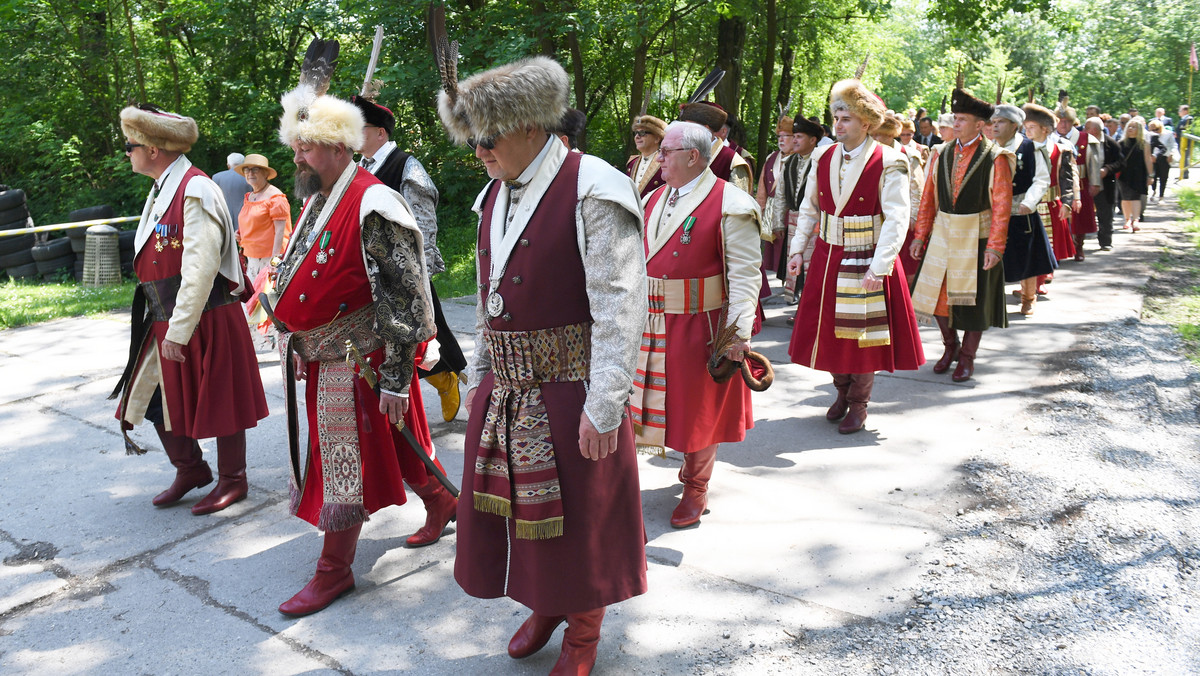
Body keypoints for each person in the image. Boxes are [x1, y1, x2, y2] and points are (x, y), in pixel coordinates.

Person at [436, 54, 647, 675]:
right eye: (471, 138)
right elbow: (487, 297)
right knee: (523, 517)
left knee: (578, 519)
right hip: (506, 386)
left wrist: (605, 403)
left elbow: (621, 303)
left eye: (487, 136)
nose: (478, 150)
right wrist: (478, 379)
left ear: (529, 123)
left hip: (570, 388)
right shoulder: (493, 194)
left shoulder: (595, 187)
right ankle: (546, 603)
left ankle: (583, 632)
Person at [271, 47, 437, 617]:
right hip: (323, 354)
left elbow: (407, 298)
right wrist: (297, 339)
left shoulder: (374, 202)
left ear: (339, 146)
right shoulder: (320, 196)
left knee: (340, 463)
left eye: (307, 145)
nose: (298, 154)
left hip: (360, 356)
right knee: (388, 441)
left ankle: (334, 571)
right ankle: (444, 503)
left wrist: (396, 376)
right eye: (295, 145)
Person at [112, 104, 268, 514]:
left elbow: (199, 268)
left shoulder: (195, 188)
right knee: (149, 397)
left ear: (152, 148)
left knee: (221, 398)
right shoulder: (165, 185)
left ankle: (234, 479)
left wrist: (180, 330)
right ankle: (191, 469)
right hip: (170, 315)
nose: (126, 153)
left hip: (205, 315)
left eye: (130, 146)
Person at [632, 120, 760, 524]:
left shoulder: (732, 203)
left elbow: (744, 276)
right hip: (650, 322)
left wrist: (736, 337)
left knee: (698, 411)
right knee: (653, 408)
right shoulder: (652, 198)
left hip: (701, 326)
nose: (659, 157)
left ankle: (696, 486)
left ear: (692, 156)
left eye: (666, 151)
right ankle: (681, 474)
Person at [349, 93, 462, 547]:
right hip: (368, 301)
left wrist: (420, 283)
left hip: (403, 286)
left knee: (428, 349)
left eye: (360, 128)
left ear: (379, 131)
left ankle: (447, 380)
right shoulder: (358, 172)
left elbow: (423, 228)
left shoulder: (407, 168)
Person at [786, 81, 924, 434]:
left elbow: (896, 217)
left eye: (846, 117)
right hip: (828, 255)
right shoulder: (823, 156)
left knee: (861, 335)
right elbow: (809, 207)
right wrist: (797, 250)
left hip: (866, 257)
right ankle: (842, 392)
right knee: (830, 330)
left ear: (866, 122)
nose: (839, 124)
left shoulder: (891, 160)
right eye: (836, 116)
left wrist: (881, 267)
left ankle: (859, 405)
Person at [909, 87, 1014, 382]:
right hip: (942, 234)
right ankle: (950, 346)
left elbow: (1002, 206)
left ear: (979, 125)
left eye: (962, 119)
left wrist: (995, 247)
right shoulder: (939, 153)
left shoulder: (997, 157)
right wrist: (920, 235)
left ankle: (967, 356)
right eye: (954, 117)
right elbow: (929, 198)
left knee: (972, 302)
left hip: (976, 237)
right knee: (937, 297)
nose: (955, 123)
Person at [992, 103, 1055, 316]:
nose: (995, 127)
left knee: (1026, 256)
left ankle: (1029, 298)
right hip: (992, 211)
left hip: (1021, 210)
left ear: (1014, 125)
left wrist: (1029, 202)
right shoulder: (988, 148)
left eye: (1000, 122)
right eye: (993, 122)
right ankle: (994, 301)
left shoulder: (1030, 147)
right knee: (992, 255)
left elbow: (1041, 179)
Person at [774, 115, 823, 306]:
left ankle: (810, 302)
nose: (794, 140)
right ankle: (795, 295)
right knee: (794, 260)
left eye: (799, 136)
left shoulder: (822, 160)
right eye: (793, 136)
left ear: (813, 140)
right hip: (794, 220)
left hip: (817, 221)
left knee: (812, 262)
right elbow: (780, 195)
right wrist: (778, 222)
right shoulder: (789, 162)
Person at [235, 154, 291, 283]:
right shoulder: (250, 196)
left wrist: (274, 261)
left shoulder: (275, 198)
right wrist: (240, 234)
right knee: (252, 299)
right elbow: (252, 222)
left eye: (255, 169)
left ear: (266, 173)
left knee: (264, 299)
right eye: (247, 170)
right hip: (251, 257)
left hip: (268, 260)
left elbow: (280, 232)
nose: (250, 173)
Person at [677, 101, 754, 194]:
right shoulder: (679, 152)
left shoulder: (733, 162)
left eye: (689, 127)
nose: (684, 132)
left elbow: (740, 204)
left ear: (705, 129)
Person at [758, 116, 793, 280]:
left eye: (785, 136)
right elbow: (762, 187)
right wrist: (761, 209)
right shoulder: (771, 158)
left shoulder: (799, 159)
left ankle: (791, 282)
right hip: (773, 211)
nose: (781, 140)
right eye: (779, 136)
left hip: (790, 212)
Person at [1084, 117, 1123, 251]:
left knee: (1105, 214)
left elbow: (1121, 163)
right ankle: (1078, 242)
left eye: (1087, 128)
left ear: (1094, 130)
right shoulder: (1082, 141)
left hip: (1105, 185)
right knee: (1083, 213)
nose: (1084, 130)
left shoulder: (1111, 143)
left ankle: (1105, 241)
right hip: (1084, 184)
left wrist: (1107, 169)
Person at [1117, 119, 1153, 232]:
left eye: (1134, 127)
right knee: (1125, 197)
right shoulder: (1120, 143)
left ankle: (1136, 219)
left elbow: (1148, 160)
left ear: (1140, 130)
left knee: (1136, 197)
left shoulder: (1144, 144)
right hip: (1124, 174)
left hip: (1139, 173)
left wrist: (1150, 175)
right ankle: (1127, 219)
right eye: (1129, 127)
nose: (1131, 129)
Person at [627, 113, 667, 198]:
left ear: (657, 138)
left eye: (642, 133)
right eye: (636, 133)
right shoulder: (632, 162)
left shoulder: (666, 162)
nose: (637, 136)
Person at [211, 152, 251, 231]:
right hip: (246, 222)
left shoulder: (216, 177)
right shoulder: (250, 178)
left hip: (223, 221)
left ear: (228, 165)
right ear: (244, 164)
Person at [1147, 119, 1174, 202]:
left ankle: (1161, 195)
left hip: (1164, 157)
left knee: (1163, 177)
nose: (1155, 131)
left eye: (1157, 129)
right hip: (1152, 158)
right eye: (1152, 130)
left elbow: (1173, 145)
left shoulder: (1168, 134)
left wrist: (1171, 154)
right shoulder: (1149, 135)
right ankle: (1153, 191)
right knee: (1153, 175)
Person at [1178, 105, 1193, 180]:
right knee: (1182, 157)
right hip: (1180, 141)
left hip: (1186, 142)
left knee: (1184, 157)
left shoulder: (1188, 119)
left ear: (1185, 111)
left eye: (1180, 111)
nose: (1179, 112)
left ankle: (1184, 173)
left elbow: (1186, 129)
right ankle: (1182, 172)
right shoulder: (1183, 119)